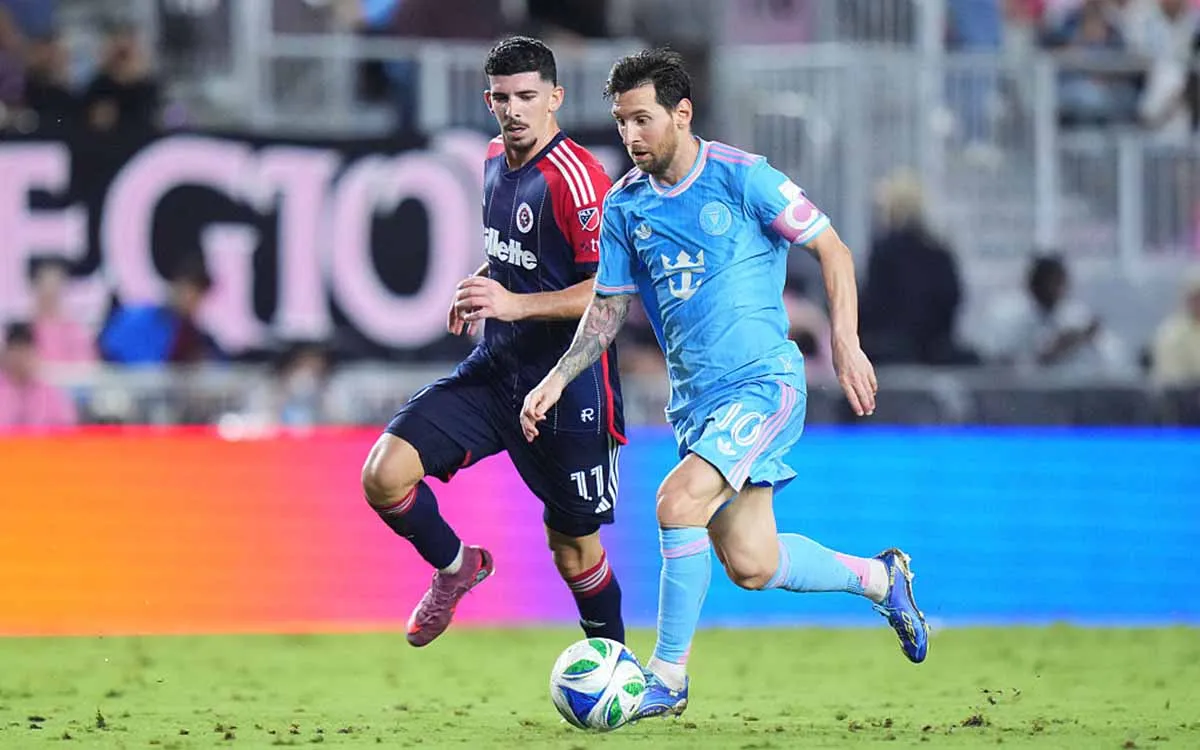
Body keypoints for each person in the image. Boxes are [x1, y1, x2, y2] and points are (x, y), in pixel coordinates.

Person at [521, 48, 929, 718]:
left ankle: (667, 679)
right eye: (621, 121)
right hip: (696, 406)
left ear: (682, 113)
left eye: (643, 119)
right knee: (751, 562)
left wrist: (846, 343)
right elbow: (608, 308)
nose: (630, 135)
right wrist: (558, 378)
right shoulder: (624, 207)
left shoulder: (743, 178)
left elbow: (833, 249)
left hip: (763, 385)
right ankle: (882, 578)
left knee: (677, 501)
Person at [360, 36, 627, 648]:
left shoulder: (580, 180)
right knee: (384, 474)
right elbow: (524, 256)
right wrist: (484, 282)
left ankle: (618, 665)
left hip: (569, 389)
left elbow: (608, 291)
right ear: (488, 101)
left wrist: (514, 304)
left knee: (573, 550)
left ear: (555, 98)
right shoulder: (491, 160)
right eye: (502, 98)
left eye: (527, 96)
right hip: (496, 371)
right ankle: (458, 568)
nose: (514, 110)